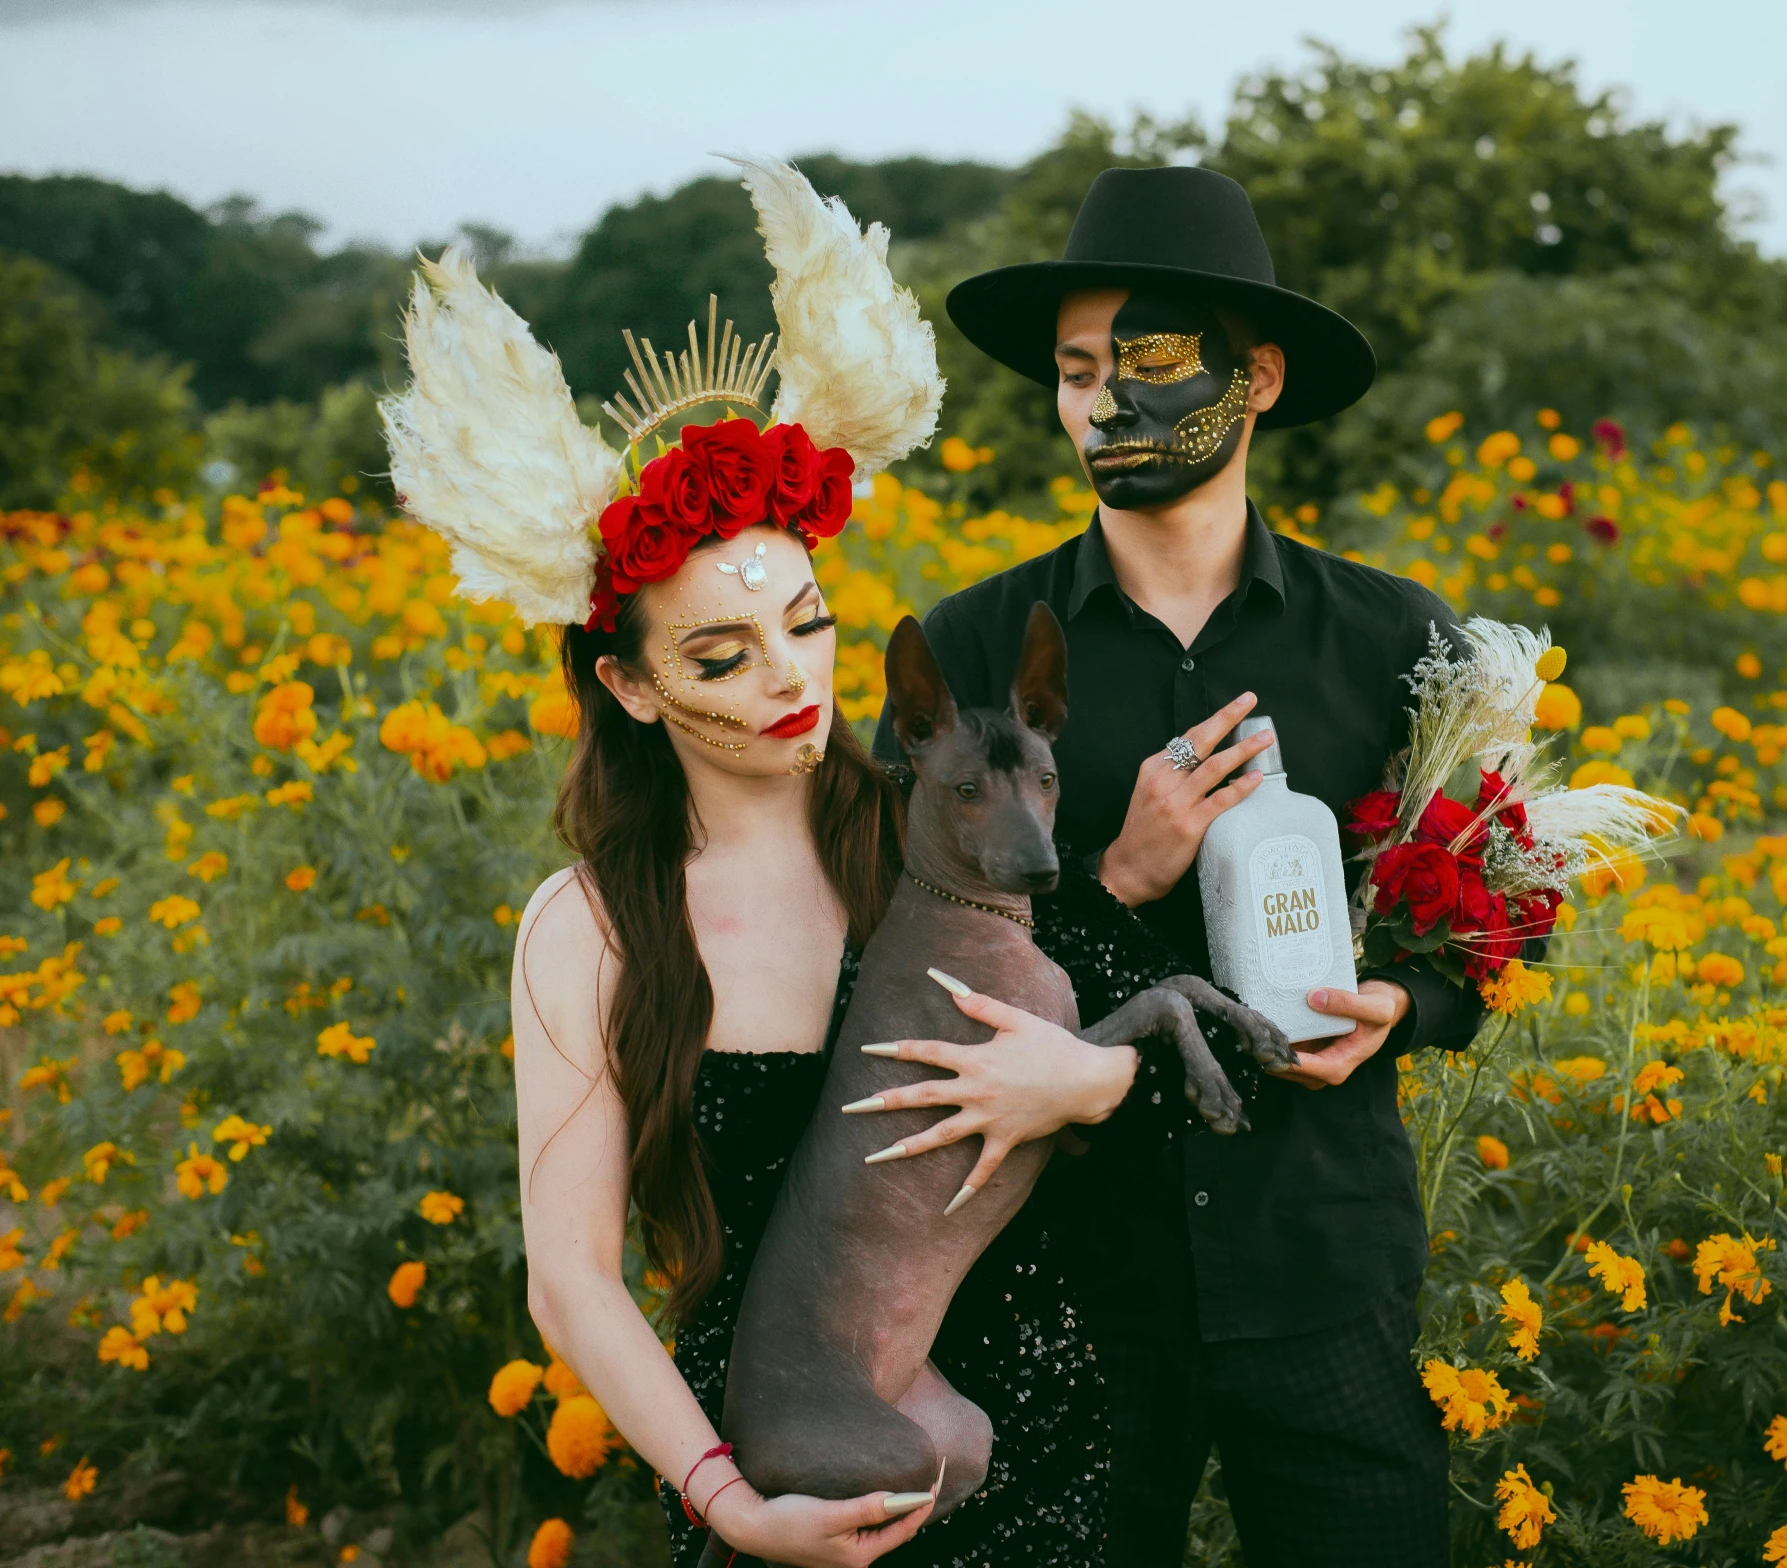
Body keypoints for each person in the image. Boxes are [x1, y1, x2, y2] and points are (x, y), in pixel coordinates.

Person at [381, 160, 1162, 1568]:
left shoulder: (940, 827)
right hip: (791, 1469)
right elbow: (572, 1280)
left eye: (807, 624)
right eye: (720, 655)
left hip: (1036, 1425)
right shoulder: (595, 928)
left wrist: (1098, 1061)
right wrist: (730, 1502)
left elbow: (1125, 1069)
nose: (790, 681)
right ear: (627, 687)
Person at [884, 165, 1487, 1568]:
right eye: (1076, 369)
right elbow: (898, 962)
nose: (1102, 403)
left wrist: (1407, 1006)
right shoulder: (971, 651)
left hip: (1324, 1259)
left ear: (1257, 377)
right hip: (1063, 1275)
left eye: (1148, 362)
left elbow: (1488, 916)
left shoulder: (1399, 643)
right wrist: (1114, 876)